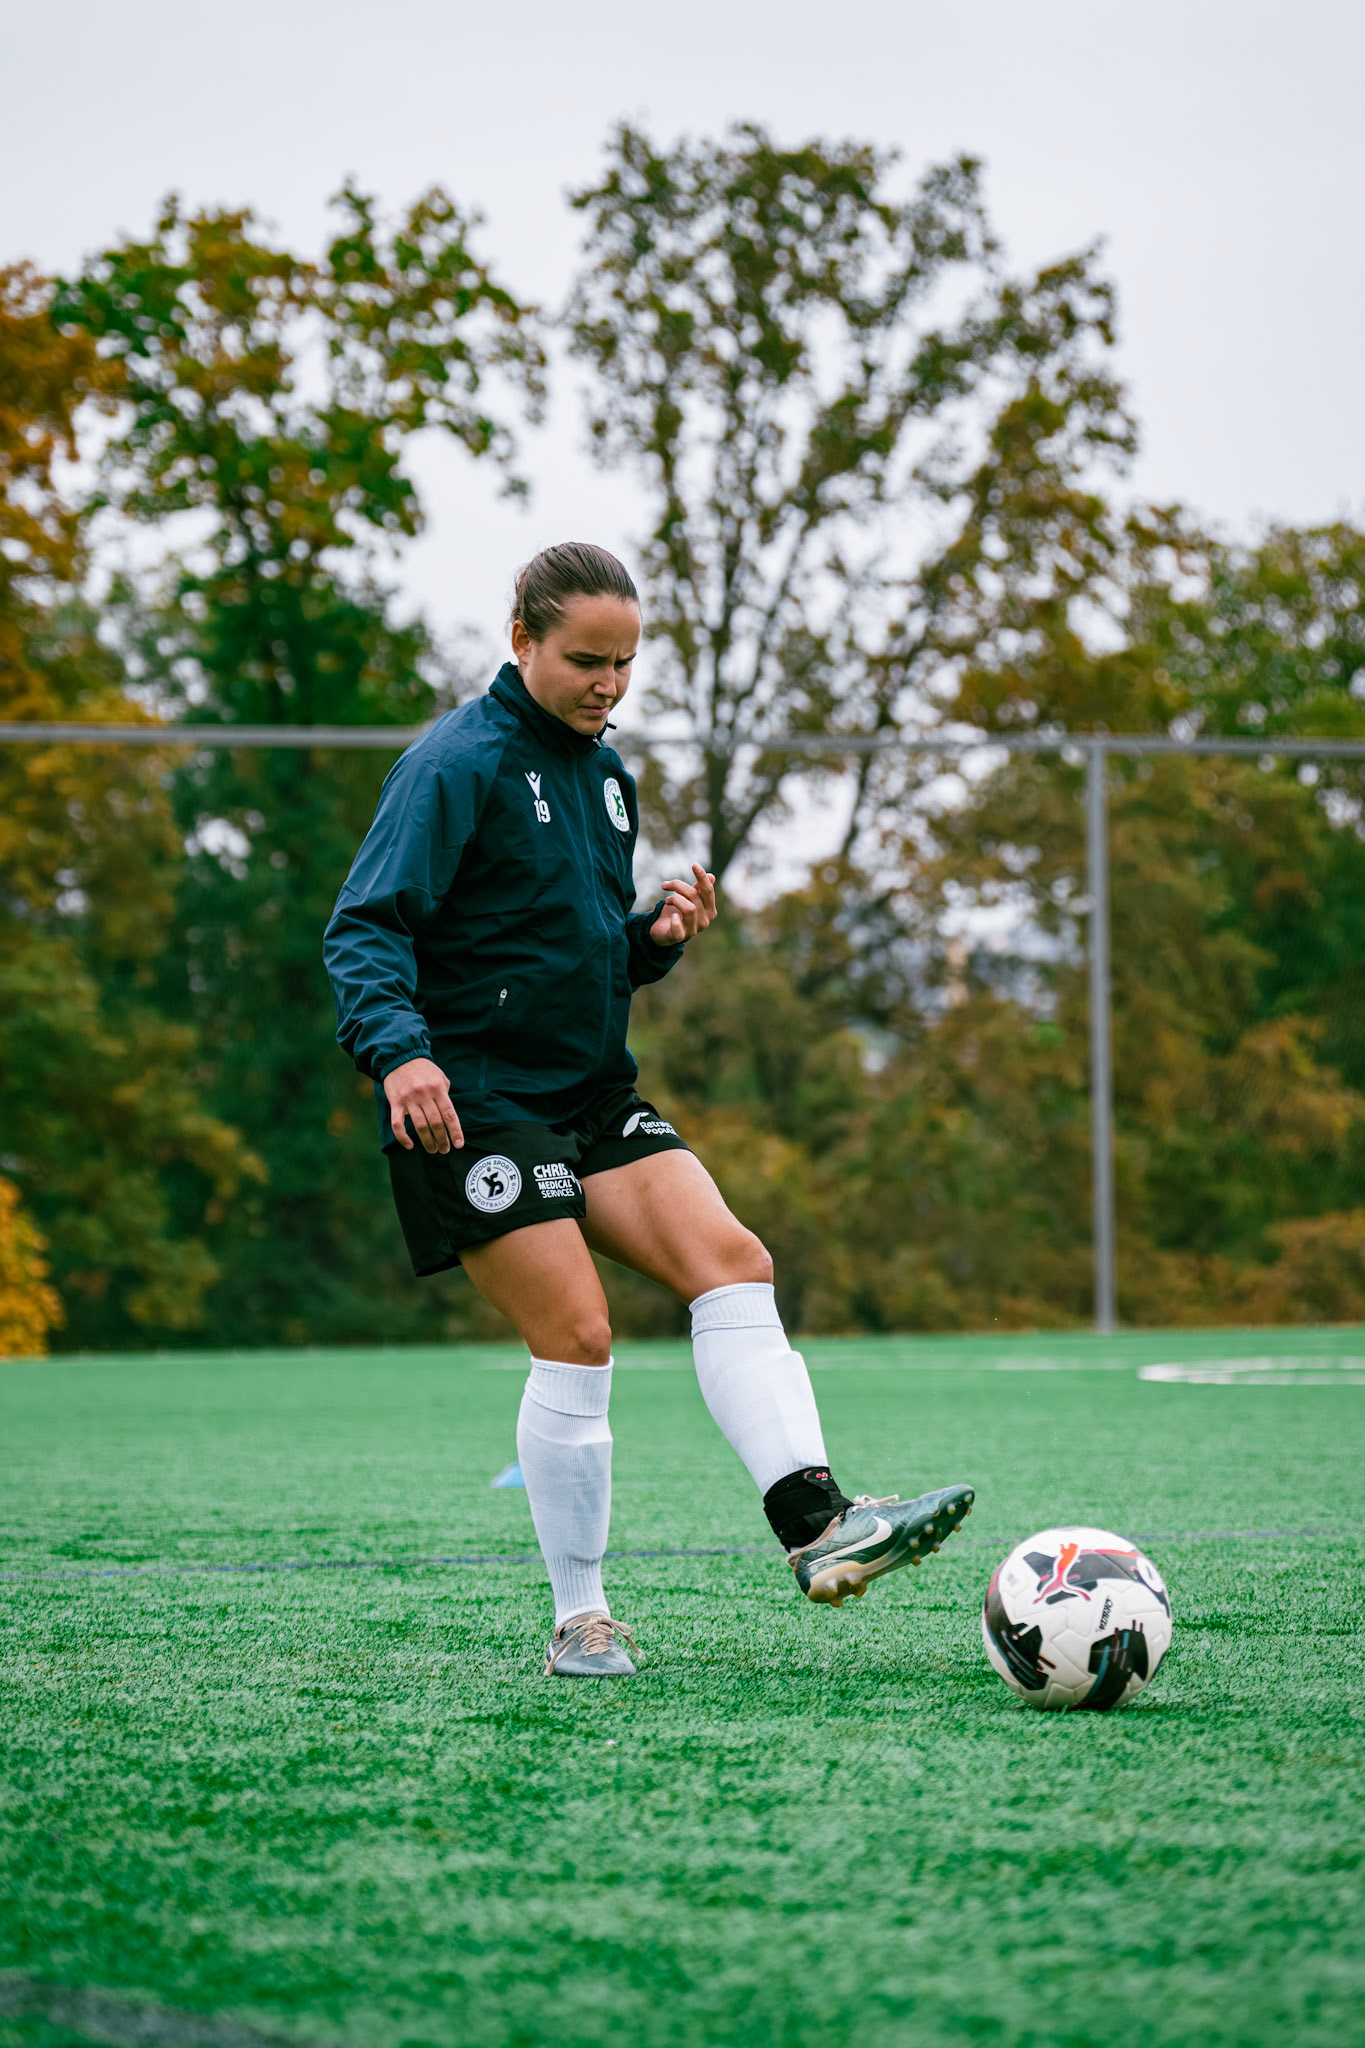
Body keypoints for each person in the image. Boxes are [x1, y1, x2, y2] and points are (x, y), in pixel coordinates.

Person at [324, 542, 973, 1677]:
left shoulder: (608, 776)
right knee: (578, 1331)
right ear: (521, 636)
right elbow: (366, 926)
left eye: (625, 662)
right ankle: (582, 1614)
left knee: (734, 1259)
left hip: (588, 1092)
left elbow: (557, 951)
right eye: (585, 659)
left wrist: (651, 943)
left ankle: (818, 1522)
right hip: (471, 1098)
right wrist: (400, 1057)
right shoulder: (454, 762)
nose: (607, 684)